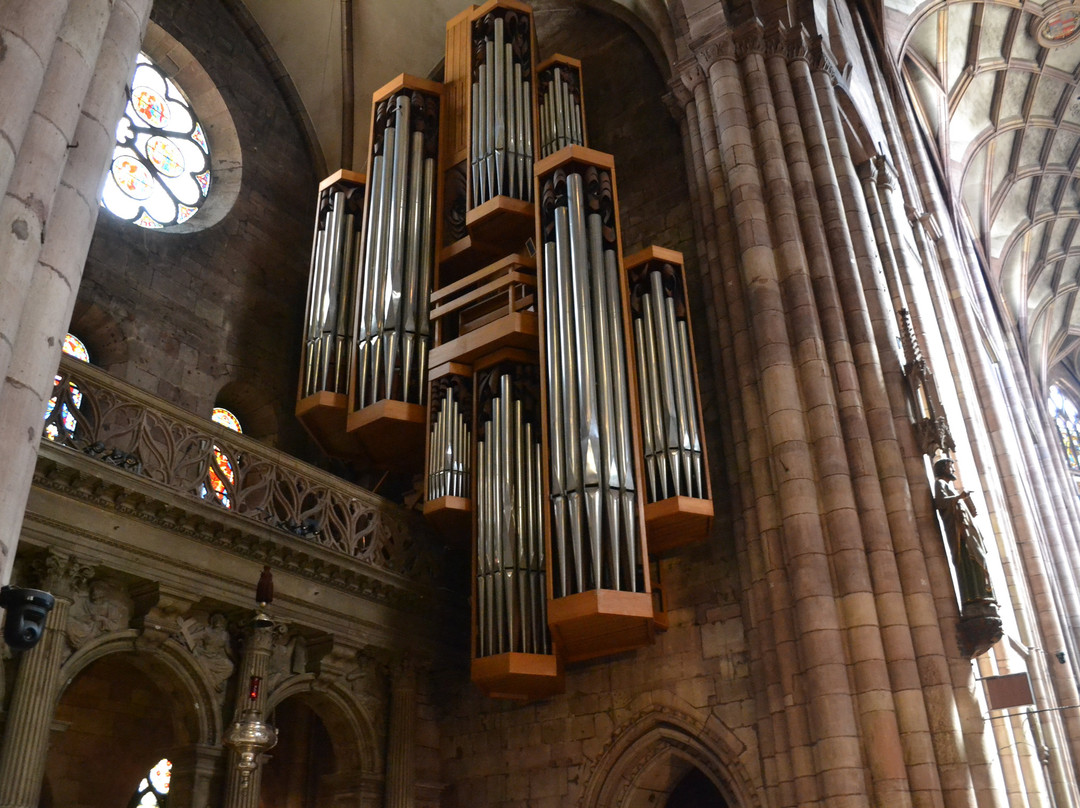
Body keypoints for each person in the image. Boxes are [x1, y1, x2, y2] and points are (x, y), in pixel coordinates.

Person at [933, 457, 995, 607]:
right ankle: (973, 595)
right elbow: (940, 502)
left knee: (979, 558)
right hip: (960, 533)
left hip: (967, 532)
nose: (953, 469)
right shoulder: (940, 483)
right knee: (970, 559)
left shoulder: (950, 487)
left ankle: (982, 593)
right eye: (950, 466)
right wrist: (960, 497)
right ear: (942, 469)